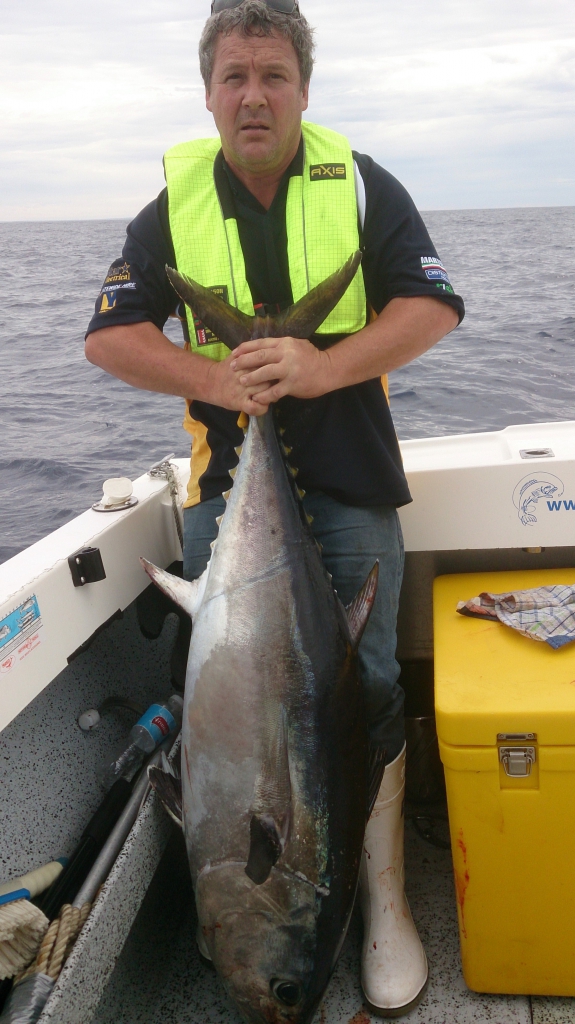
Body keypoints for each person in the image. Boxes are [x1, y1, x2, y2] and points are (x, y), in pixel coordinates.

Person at [85, 0, 463, 1015]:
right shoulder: (169, 210)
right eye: (234, 78)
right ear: (209, 92)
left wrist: (319, 365)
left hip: (351, 476)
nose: (253, 96)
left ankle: (381, 901)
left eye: (272, 77)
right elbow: (110, 336)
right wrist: (215, 380)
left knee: (368, 679)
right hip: (228, 483)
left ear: (302, 87)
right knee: (224, 696)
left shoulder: (361, 185)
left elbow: (431, 305)